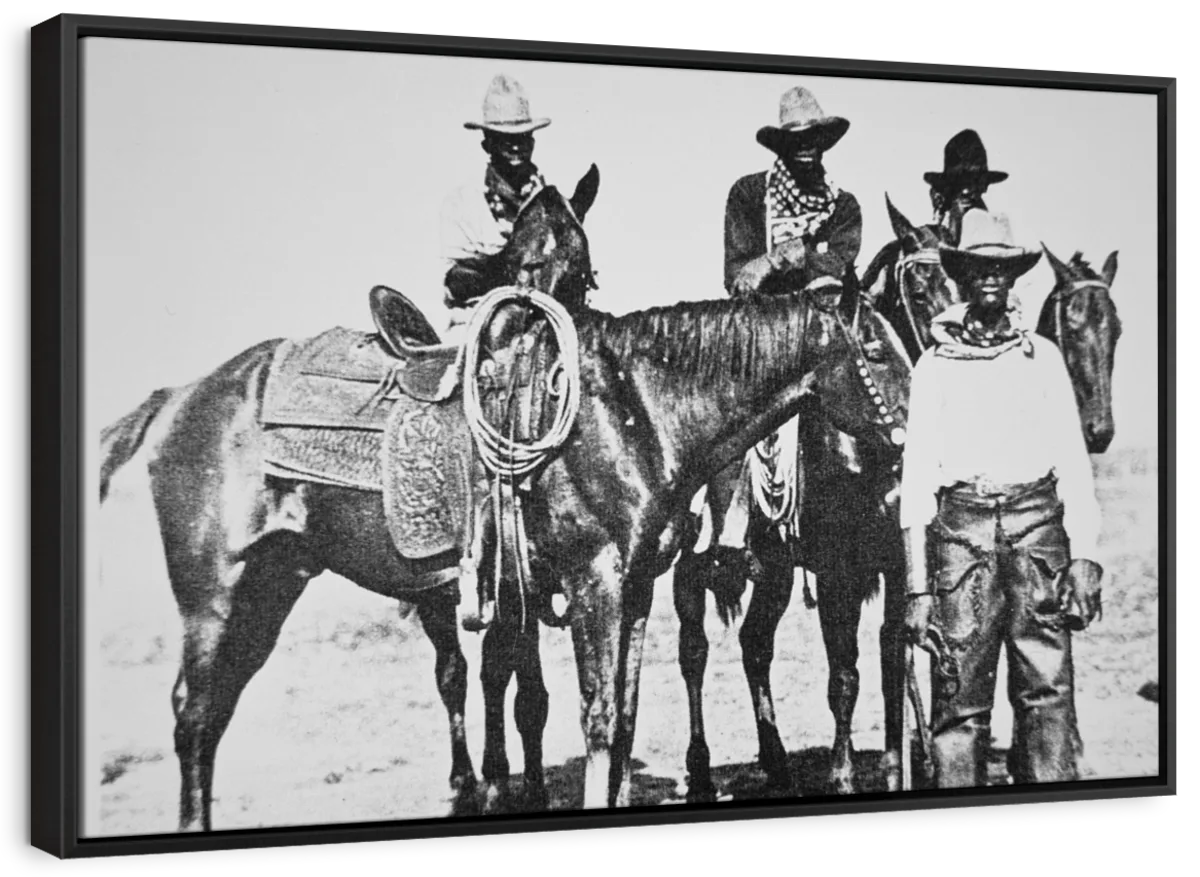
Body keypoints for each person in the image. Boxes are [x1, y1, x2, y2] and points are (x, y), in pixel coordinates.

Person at [899, 208, 1105, 789]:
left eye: (1002, 268)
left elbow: (1073, 463)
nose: (991, 277)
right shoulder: (934, 366)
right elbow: (917, 480)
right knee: (957, 701)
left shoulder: (1043, 358)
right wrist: (917, 587)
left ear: (1013, 277)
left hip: (1038, 537)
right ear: (962, 276)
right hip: (961, 544)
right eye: (979, 267)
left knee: (1046, 692)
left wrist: (1085, 556)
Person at [705, 84, 863, 566]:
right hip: (763, 335)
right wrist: (791, 258)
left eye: (814, 137)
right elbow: (739, 276)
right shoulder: (750, 194)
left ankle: (860, 526)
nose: (806, 146)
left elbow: (837, 268)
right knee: (726, 423)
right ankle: (720, 533)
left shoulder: (843, 207)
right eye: (796, 139)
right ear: (783, 144)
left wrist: (783, 260)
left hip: (821, 335)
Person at [439, 74, 551, 340]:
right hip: (477, 324)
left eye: (523, 137)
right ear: (487, 144)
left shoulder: (549, 202)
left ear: (533, 142)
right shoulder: (462, 203)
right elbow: (456, 279)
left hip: (542, 324)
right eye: (504, 139)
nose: (516, 145)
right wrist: (509, 267)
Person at [924, 128, 1009, 247]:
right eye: (969, 184)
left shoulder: (983, 217)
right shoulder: (934, 232)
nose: (976, 194)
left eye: (980, 185)